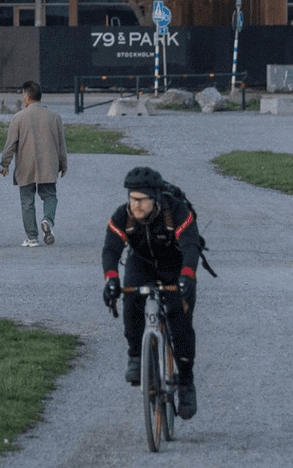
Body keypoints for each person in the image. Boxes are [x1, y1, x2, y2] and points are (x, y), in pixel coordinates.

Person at [101, 166, 201, 420]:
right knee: (131, 301)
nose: (134, 204)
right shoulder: (123, 215)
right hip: (141, 262)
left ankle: (186, 383)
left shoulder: (175, 211)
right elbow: (111, 249)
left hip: (175, 265)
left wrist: (188, 274)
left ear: (154, 198)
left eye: (140, 200)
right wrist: (111, 279)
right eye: (131, 198)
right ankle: (135, 355)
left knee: (181, 323)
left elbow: (190, 244)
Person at [0, 80, 67, 247]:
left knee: (27, 201)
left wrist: (4, 164)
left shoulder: (18, 118)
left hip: (25, 166)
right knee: (50, 196)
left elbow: (11, 144)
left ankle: (32, 237)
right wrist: (63, 164)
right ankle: (48, 220)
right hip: (48, 165)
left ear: (26, 98)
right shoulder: (55, 117)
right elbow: (61, 144)